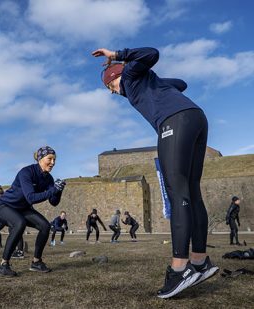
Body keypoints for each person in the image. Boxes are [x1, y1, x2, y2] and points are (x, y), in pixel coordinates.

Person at [92, 47, 218, 298]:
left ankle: (179, 268)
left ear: (117, 75)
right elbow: (181, 83)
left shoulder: (129, 76)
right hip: (197, 119)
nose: (113, 91)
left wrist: (118, 55)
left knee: (177, 192)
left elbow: (150, 54)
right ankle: (200, 261)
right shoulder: (146, 83)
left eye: (110, 85)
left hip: (173, 122)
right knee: (192, 192)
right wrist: (159, 83)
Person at [0, 146, 66, 276]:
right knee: (19, 223)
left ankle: (36, 262)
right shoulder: (26, 172)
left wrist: (59, 190)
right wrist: (53, 190)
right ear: (40, 158)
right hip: (5, 206)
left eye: (54, 160)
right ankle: (3, 265)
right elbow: (31, 197)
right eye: (50, 159)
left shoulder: (48, 178)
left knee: (45, 226)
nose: (53, 163)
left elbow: (53, 202)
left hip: (23, 208)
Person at [0, 187, 25, 258]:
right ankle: (17, 250)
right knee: (13, 231)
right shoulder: (3, 200)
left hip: (16, 219)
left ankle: (20, 252)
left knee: (16, 232)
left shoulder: (5, 198)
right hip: (12, 220)